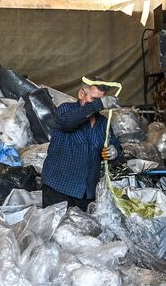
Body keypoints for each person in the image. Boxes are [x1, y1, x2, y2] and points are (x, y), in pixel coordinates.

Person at [41, 81, 122, 210]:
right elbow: (67, 123)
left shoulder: (103, 122)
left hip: (86, 194)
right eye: (94, 99)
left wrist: (115, 152)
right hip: (59, 188)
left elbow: (114, 144)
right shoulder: (66, 109)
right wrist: (99, 104)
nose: (99, 105)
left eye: (101, 100)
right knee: (58, 229)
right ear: (81, 94)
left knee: (84, 229)